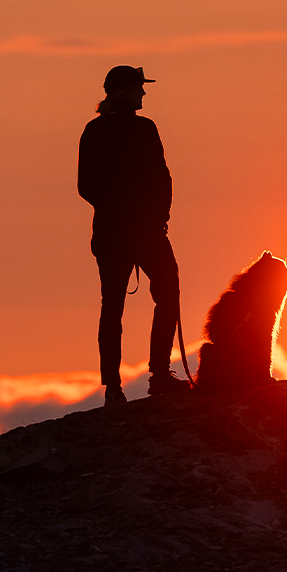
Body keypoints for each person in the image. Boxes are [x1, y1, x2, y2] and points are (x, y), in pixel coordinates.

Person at [79, 65, 189, 406]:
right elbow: (162, 178)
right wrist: (157, 218)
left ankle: (113, 389)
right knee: (167, 293)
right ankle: (158, 376)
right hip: (144, 231)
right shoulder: (144, 129)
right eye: (139, 89)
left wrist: (120, 212)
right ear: (126, 92)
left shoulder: (93, 131)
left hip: (112, 233)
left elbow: (86, 187)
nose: (143, 94)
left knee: (112, 307)